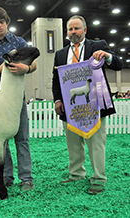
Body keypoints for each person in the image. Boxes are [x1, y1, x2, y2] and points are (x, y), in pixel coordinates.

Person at [52, 15, 122, 195]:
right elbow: (56, 79)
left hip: (95, 104)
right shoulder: (60, 54)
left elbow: (118, 64)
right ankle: (76, 174)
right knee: (73, 142)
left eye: (76, 28)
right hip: (69, 106)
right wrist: (57, 100)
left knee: (96, 142)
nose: (73, 32)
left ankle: (99, 178)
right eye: (70, 29)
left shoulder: (98, 46)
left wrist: (107, 56)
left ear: (85, 30)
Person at [0, 6, 36, 191]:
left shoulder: (18, 41)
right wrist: (2, 68)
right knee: (1, 141)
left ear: (7, 22)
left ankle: (26, 178)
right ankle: (6, 178)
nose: (0, 26)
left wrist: (26, 69)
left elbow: (33, 64)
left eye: (2, 22)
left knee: (22, 138)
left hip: (17, 99)